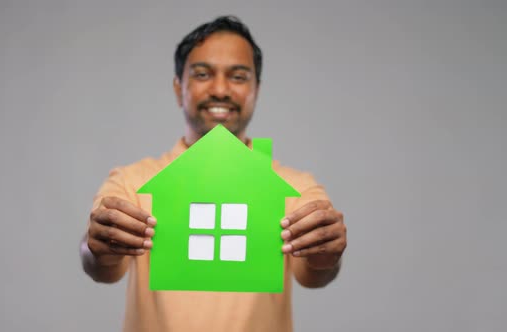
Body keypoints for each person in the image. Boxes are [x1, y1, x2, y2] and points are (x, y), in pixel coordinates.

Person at [80, 15, 347, 332]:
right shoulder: (131, 182)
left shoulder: (297, 188)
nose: (220, 90)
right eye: (203, 74)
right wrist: (96, 246)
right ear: (179, 88)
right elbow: (101, 268)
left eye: (238, 76)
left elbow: (316, 275)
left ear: (256, 90)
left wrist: (328, 252)